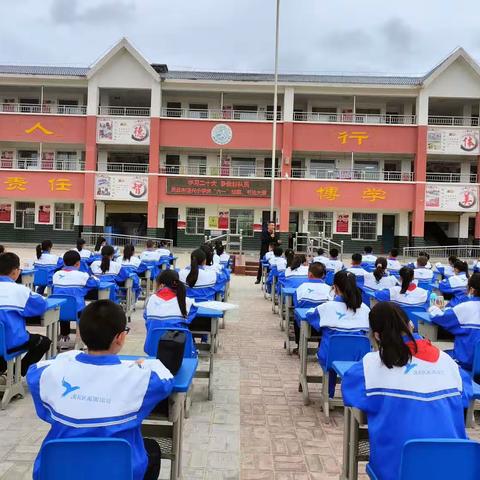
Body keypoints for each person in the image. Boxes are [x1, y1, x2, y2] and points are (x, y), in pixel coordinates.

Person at [27, 300, 174, 480]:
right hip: (120, 472)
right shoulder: (139, 379)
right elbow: (166, 378)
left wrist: (72, 355)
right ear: (120, 337)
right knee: (151, 449)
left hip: (57, 471)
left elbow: (35, 369)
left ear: (80, 333)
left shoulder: (52, 374)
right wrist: (146, 363)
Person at [342, 302, 471, 480]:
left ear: (377, 336)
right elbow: (466, 396)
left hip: (398, 470)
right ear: (410, 325)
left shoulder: (371, 366)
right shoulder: (448, 362)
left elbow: (350, 393)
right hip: (451, 469)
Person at [307, 271, 370, 397]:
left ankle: (328, 394)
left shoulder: (327, 307)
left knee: (331, 351)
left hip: (330, 356)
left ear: (335, 288)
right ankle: (352, 396)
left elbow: (310, 317)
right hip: (358, 358)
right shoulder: (365, 309)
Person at [0, 252, 51, 377]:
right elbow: (40, 306)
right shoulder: (20, 290)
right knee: (43, 342)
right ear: (15, 271)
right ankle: (14, 374)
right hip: (11, 341)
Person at [429, 273, 480, 370]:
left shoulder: (465, 308)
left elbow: (437, 317)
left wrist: (434, 308)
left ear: (472, 290)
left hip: (466, 364)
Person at [52, 250, 100, 348]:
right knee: (88, 310)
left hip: (57, 310)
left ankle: (64, 338)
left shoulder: (56, 275)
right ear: (78, 263)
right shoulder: (82, 275)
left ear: (64, 262)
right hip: (77, 311)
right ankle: (82, 340)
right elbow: (95, 283)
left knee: (65, 306)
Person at [144, 270, 198, 352]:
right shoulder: (187, 302)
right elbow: (190, 319)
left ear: (161, 285)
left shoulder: (150, 301)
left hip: (153, 349)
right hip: (180, 352)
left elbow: (146, 317)